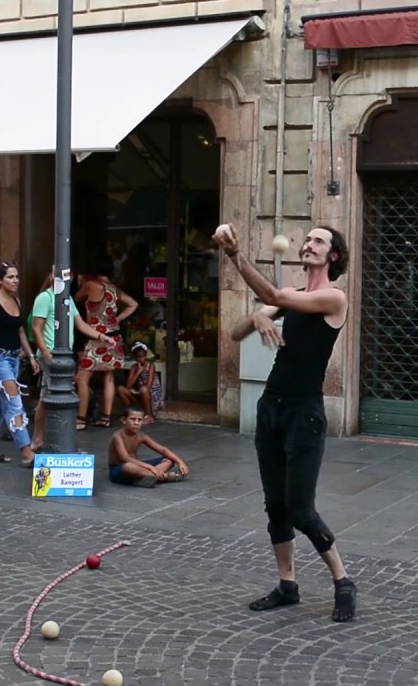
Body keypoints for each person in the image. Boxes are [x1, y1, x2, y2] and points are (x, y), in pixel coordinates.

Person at [213, 224, 357, 623]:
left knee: (301, 510)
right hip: (271, 408)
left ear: (333, 256)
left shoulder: (334, 298)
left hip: (304, 415)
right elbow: (236, 331)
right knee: (275, 505)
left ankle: (343, 581)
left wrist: (236, 256)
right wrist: (258, 318)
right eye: (307, 239)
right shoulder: (292, 296)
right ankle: (287, 585)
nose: (308, 244)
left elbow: (275, 297)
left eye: (318, 241)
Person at [28, 269, 113, 450]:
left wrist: (101, 336)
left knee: (47, 396)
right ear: (51, 276)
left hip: (64, 355)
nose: (60, 278)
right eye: (56, 274)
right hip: (51, 354)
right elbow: (36, 328)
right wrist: (46, 353)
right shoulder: (45, 298)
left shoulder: (68, 299)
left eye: (65, 275)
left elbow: (80, 324)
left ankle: (39, 439)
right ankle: (55, 440)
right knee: (61, 394)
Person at [0, 261, 39, 466]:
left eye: (17, 276)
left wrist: (31, 356)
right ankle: (26, 451)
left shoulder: (16, 300)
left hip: (13, 359)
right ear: (0, 280)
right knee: (14, 402)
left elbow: (20, 331)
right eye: (10, 277)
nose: (15, 280)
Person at [74, 256, 138, 429]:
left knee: (82, 377)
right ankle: (106, 417)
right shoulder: (115, 289)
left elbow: (77, 298)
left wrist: (81, 283)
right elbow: (133, 304)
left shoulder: (91, 285)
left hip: (97, 337)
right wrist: (118, 319)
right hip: (114, 337)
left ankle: (81, 418)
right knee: (108, 378)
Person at [108, 405, 188, 488]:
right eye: (132, 419)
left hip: (138, 466)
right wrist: (151, 468)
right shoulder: (118, 436)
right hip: (119, 470)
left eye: (139, 420)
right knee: (128, 466)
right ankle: (163, 477)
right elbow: (126, 458)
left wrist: (180, 462)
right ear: (124, 420)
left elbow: (162, 449)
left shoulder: (141, 436)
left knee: (169, 460)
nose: (136, 423)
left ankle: (146, 477)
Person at [117, 342, 164, 423]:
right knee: (120, 389)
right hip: (140, 394)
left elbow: (148, 386)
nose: (141, 359)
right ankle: (129, 414)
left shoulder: (151, 366)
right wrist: (138, 373)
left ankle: (148, 416)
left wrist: (138, 392)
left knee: (143, 389)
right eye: (138, 357)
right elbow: (128, 385)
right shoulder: (134, 367)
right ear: (135, 357)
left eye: (143, 356)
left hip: (151, 395)